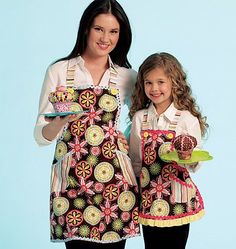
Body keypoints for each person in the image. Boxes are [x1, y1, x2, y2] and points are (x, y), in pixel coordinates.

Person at [34, 1, 140, 248]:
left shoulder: (127, 76)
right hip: (73, 182)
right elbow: (40, 135)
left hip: (116, 184)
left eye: (113, 32)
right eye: (98, 29)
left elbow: (142, 120)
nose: (105, 38)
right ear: (85, 29)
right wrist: (59, 122)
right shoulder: (59, 71)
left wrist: (123, 138)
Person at [129, 52, 208, 249]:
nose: (154, 88)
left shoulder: (186, 119)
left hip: (177, 199)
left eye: (161, 82)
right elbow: (136, 161)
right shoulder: (140, 118)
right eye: (148, 82)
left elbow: (195, 163)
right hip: (149, 198)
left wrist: (187, 156)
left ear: (175, 83)